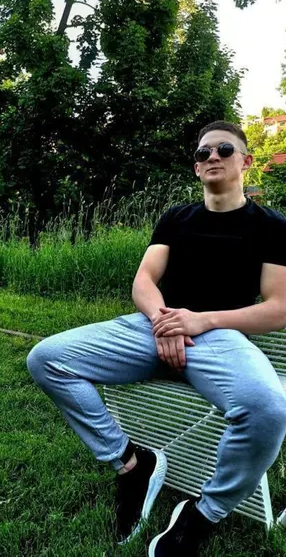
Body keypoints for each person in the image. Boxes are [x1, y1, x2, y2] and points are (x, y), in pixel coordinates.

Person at [26, 121, 286, 556]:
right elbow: (144, 280)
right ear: (196, 167)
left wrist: (199, 321)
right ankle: (131, 464)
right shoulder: (176, 218)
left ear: (246, 161)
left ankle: (203, 513)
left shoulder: (272, 226)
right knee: (47, 358)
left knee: (268, 409)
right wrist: (163, 321)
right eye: (203, 153)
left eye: (224, 149)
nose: (213, 157)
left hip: (220, 337)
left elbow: (278, 308)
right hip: (151, 327)